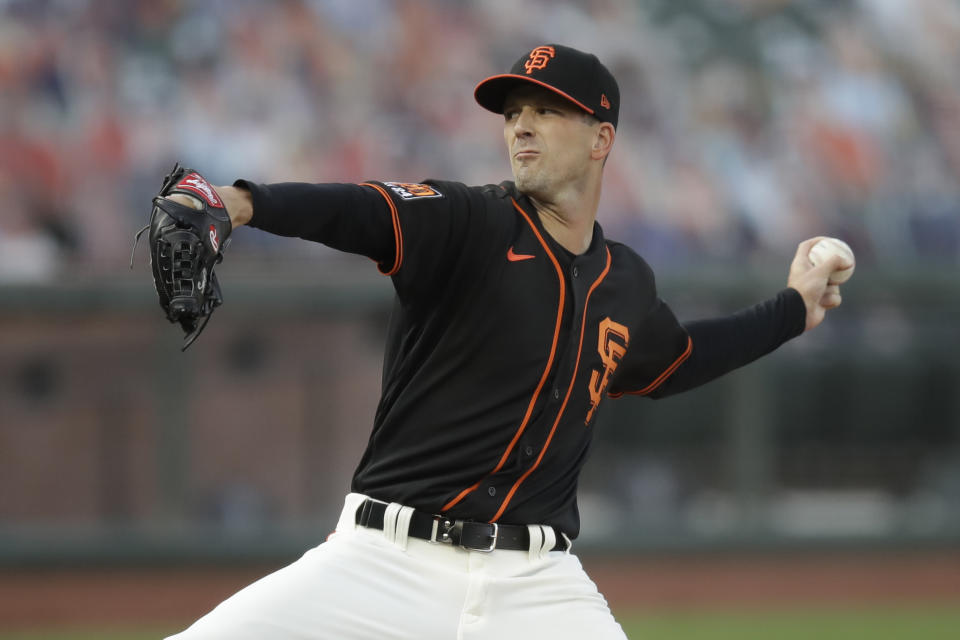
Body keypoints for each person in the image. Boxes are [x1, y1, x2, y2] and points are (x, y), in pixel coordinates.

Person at [165, 44, 846, 640]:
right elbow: (361, 210)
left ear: (600, 138)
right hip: (383, 563)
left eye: (547, 111)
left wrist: (794, 310)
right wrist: (240, 201)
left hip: (537, 584)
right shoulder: (470, 222)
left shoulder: (625, 281)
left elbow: (679, 360)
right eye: (514, 111)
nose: (521, 124)